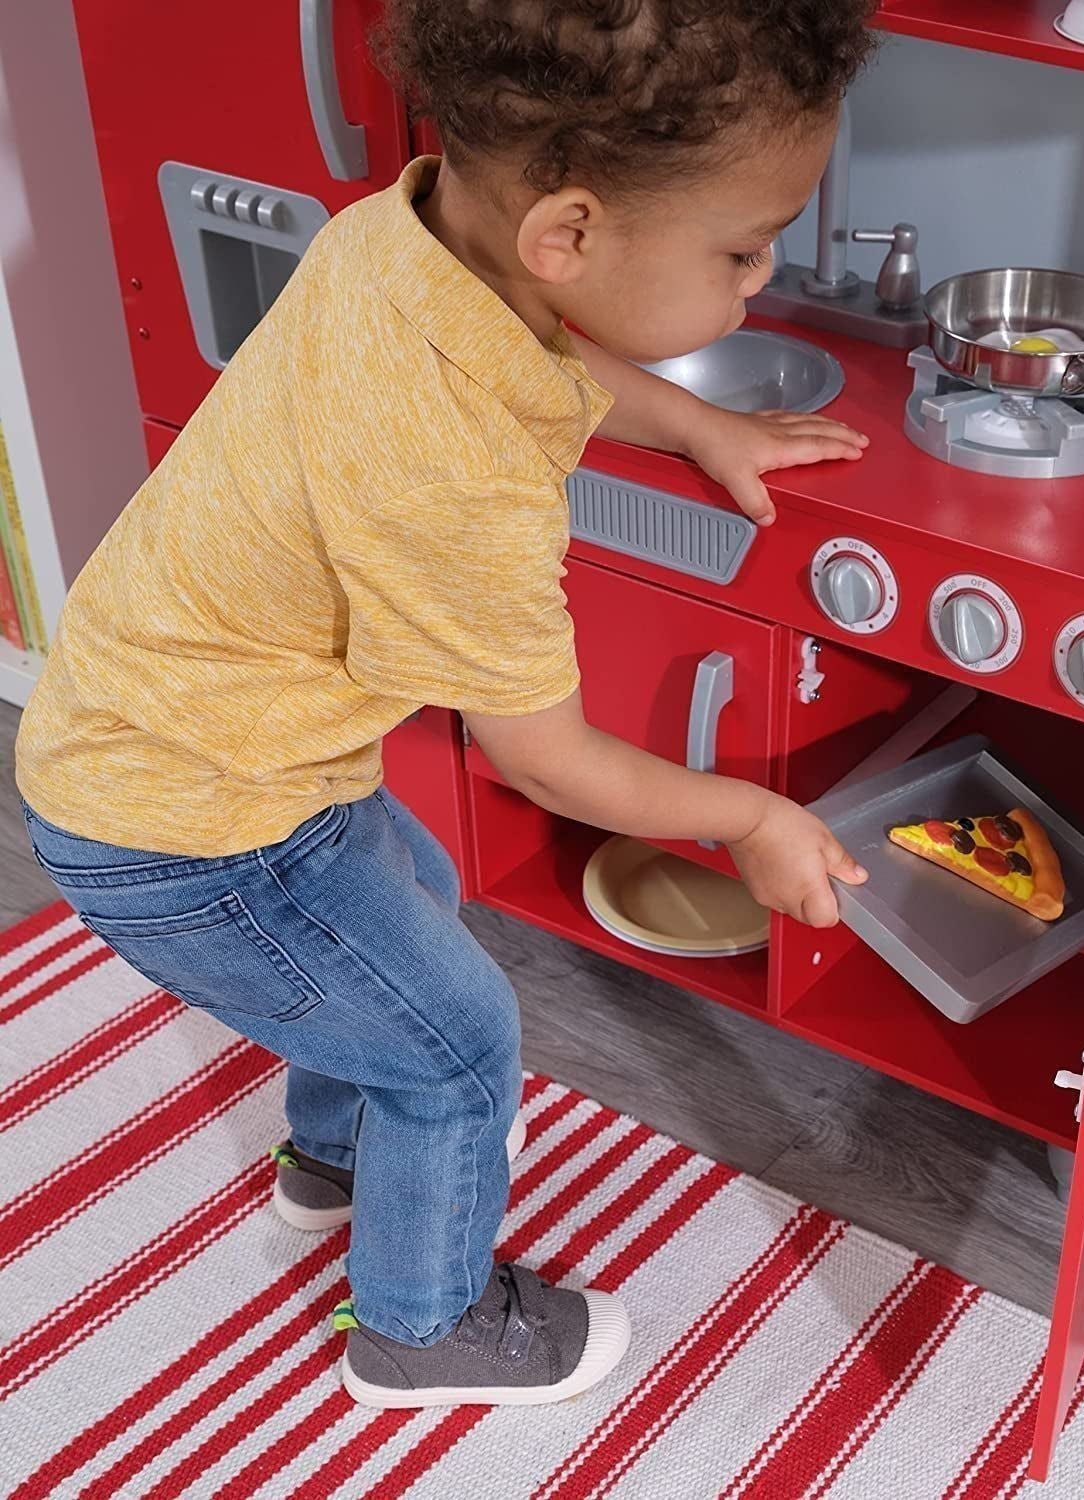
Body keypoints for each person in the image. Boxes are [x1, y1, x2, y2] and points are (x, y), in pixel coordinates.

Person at [16, 0, 876, 1410]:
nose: (760, 278)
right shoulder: (456, 478)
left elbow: (544, 349)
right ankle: (423, 1329)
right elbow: (554, 764)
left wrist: (701, 421)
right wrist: (754, 816)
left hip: (172, 739)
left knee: (403, 898)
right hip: (185, 824)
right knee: (455, 1041)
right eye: (742, 249)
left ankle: (332, 1164)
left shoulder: (396, 234)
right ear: (572, 235)